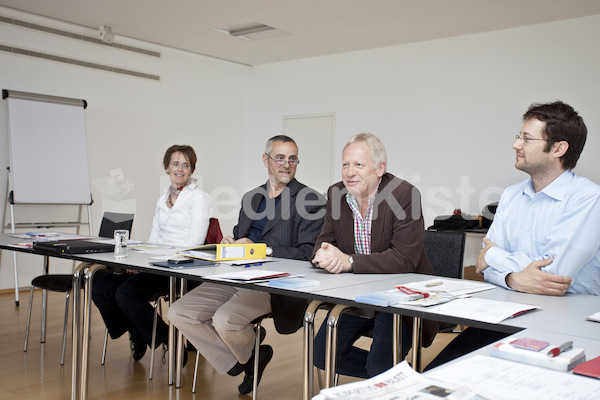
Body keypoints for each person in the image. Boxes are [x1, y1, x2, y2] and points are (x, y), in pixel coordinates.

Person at [426, 100, 600, 370]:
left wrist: (495, 255)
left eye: (526, 138)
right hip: (506, 315)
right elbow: (485, 270)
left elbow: (553, 276)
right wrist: (513, 278)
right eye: (518, 136)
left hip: (566, 325)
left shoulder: (588, 198)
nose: (516, 144)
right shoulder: (511, 195)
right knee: (436, 377)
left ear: (558, 148)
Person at [167, 135, 325, 394]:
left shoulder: (311, 200)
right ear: (266, 160)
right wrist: (231, 241)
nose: (287, 164)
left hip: (272, 283)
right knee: (179, 312)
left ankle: (245, 352)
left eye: (292, 158)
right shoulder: (252, 197)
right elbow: (243, 234)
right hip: (235, 274)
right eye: (280, 158)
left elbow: (309, 252)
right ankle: (249, 358)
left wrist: (261, 250)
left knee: (224, 319)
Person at [311, 133, 439, 379]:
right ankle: (400, 379)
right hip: (357, 295)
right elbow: (323, 243)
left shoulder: (404, 195)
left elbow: (404, 259)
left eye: (359, 165)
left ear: (380, 168)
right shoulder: (336, 194)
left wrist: (348, 261)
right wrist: (323, 255)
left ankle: (386, 376)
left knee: (379, 367)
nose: (350, 172)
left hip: (399, 299)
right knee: (321, 354)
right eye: (345, 164)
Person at [93, 145, 212, 362]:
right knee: (100, 285)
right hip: (155, 263)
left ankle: (168, 340)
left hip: (178, 267)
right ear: (167, 167)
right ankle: (136, 330)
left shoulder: (199, 198)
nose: (180, 169)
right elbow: (153, 240)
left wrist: (152, 261)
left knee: (125, 293)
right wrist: (138, 262)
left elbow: (193, 243)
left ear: (192, 170)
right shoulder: (161, 200)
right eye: (175, 164)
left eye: (186, 165)